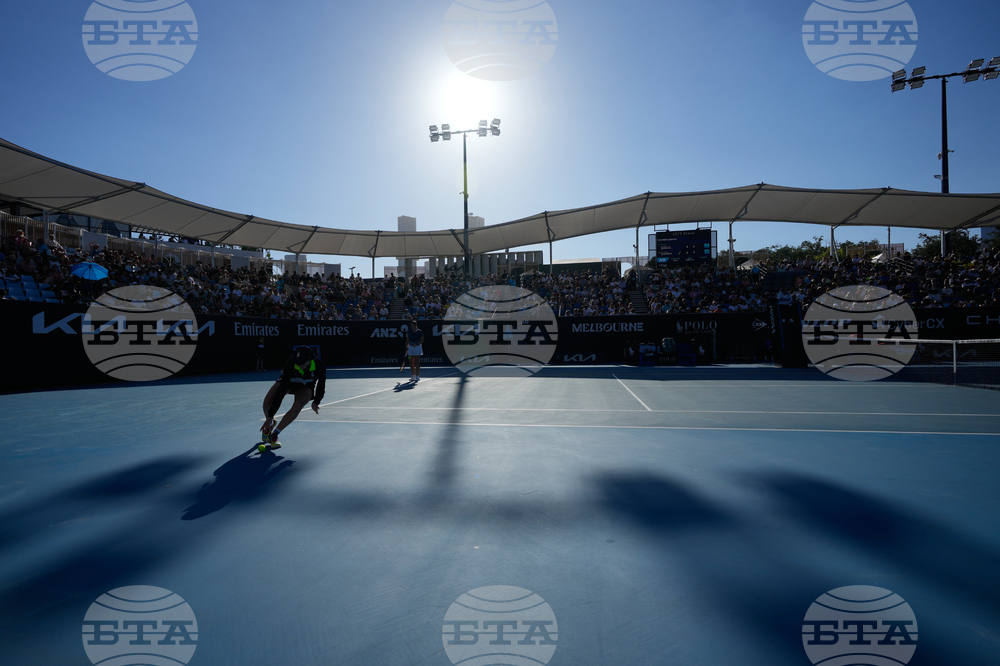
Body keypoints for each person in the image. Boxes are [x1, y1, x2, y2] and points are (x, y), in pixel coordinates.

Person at [260, 346, 326, 447]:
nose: (298, 364)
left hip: (305, 387)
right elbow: (280, 392)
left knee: (299, 405)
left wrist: (316, 401)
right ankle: (270, 423)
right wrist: (270, 416)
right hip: (288, 384)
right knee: (268, 400)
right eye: (297, 362)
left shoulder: (319, 366)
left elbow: (321, 385)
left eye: (302, 362)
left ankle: (274, 434)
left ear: (310, 360)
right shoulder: (291, 364)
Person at [405, 318, 424, 382]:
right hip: (410, 349)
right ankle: (413, 376)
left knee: (416, 362)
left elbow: (422, 340)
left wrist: (417, 343)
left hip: (417, 348)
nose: (412, 327)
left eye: (413, 326)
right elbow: (407, 341)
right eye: (411, 326)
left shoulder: (419, 332)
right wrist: (406, 348)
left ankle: (417, 376)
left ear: (416, 326)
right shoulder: (409, 332)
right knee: (411, 361)